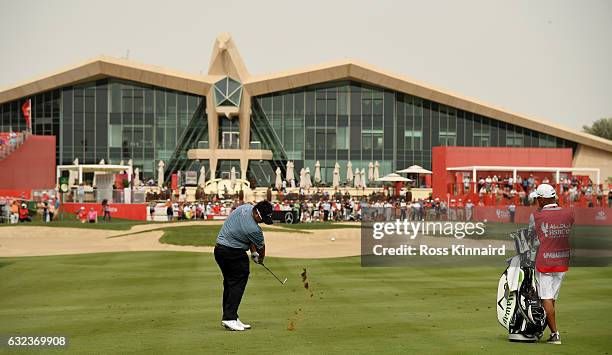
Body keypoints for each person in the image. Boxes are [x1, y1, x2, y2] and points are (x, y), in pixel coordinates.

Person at [214, 200, 273, 331]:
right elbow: (261, 247)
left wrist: (252, 252)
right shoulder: (254, 229)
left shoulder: (246, 208)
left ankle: (231, 317)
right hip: (232, 253)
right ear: (257, 214)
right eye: (263, 219)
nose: (262, 222)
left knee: (230, 283)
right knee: (238, 282)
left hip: (219, 251)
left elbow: (247, 237)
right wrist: (260, 258)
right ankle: (229, 318)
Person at [528, 184, 574, 345]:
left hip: (545, 261)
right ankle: (544, 329)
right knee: (551, 299)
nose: (535, 202)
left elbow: (531, 239)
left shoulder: (536, 216)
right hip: (562, 259)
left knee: (545, 298)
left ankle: (555, 334)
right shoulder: (569, 213)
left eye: (536, 199)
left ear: (541, 199)